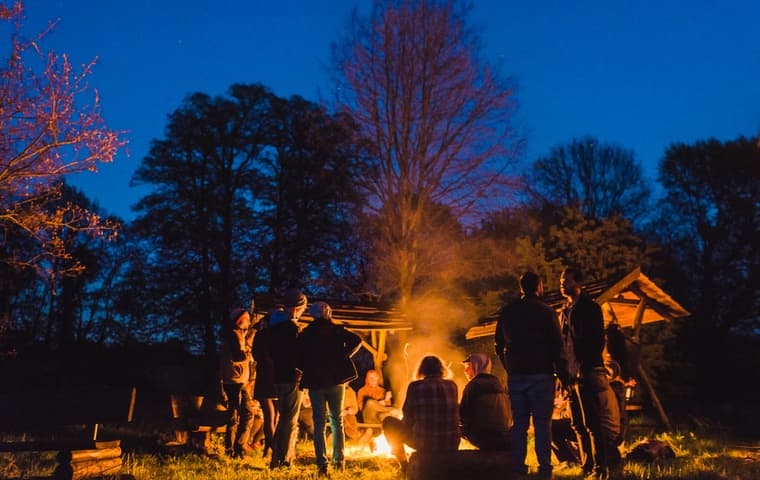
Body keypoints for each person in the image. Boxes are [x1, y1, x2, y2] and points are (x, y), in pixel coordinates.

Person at [495, 271, 565, 479]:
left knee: (520, 424)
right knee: (543, 424)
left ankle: (518, 467)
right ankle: (545, 469)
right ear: (539, 287)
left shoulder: (508, 312)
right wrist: (563, 374)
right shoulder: (546, 311)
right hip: (542, 375)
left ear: (521, 288)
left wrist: (508, 366)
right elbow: (556, 345)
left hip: (517, 376)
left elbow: (499, 343)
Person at [559, 267, 618, 480]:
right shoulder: (564, 311)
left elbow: (595, 341)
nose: (562, 284)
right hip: (571, 374)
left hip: (588, 371)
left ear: (578, 283)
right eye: (561, 280)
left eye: (566, 280)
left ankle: (601, 468)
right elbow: (563, 344)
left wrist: (583, 366)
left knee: (592, 421)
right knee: (577, 423)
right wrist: (564, 374)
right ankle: (587, 465)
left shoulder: (590, 308)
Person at [297, 300, 362, 476]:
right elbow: (357, 340)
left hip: (315, 382)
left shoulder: (306, 334)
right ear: (328, 313)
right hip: (336, 381)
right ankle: (339, 461)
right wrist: (343, 356)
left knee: (319, 423)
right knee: (337, 421)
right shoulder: (336, 331)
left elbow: (298, 356)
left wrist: (308, 367)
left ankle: (322, 464)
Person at [382, 355, 460, 473]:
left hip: (425, 443)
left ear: (421, 370)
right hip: (451, 443)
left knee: (388, 423)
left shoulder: (415, 386)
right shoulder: (452, 385)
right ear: (441, 369)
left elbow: (407, 416)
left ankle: (404, 465)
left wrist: (408, 428)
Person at [267, 288, 308, 469]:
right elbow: (296, 355)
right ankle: (283, 460)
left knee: (283, 418)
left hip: (278, 377)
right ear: (298, 307)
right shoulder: (290, 328)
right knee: (289, 420)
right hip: (291, 377)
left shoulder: (273, 326)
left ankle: (276, 458)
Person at [218, 307, 256, 458]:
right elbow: (237, 357)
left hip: (241, 381)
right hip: (233, 381)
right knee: (237, 415)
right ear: (239, 320)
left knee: (245, 414)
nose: (248, 321)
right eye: (246, 318)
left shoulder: (239, 334)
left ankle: (237, 448)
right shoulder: (232, 336)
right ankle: (233, 449)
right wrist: (249, 354)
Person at [459, 353, 512, 451]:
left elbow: (463, 415)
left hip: (483, 436)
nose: (465, 371)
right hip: (504, 434)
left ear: (476, 366)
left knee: (451, 427)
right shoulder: (501, 382)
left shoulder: (473, 386)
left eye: (468, 366)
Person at [251, 308, 280, 458]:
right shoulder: (281, 335)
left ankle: (270, 447)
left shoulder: (260, 335)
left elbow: (255, 355)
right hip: (279, 377)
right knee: (276, 415)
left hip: (264, 377)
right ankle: (272, 447)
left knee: (270, 416)